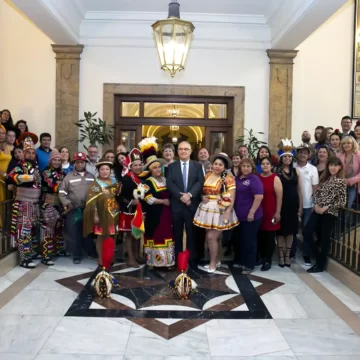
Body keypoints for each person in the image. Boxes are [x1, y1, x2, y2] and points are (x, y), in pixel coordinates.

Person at [193, 153, 238, 272]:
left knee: (211, 237)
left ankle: (212, 263)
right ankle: (217, 260)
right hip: (207, 209)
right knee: (214, 238)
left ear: (224, 167)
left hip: (221, 210)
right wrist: (203, 197)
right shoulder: (207, 175)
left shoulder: (228, 178)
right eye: (215, 164)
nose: (217, 166)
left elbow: (232, 197)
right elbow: (202, 192)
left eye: (220, 165)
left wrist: (228, 212)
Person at [303, 157, 347, 273]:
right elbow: (317, 194)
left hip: (329, 213)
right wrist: (316, 205)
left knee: (324, 238)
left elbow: (342, 201)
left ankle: (320, 265)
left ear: (340, 167)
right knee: (306, 232)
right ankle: (319, 257)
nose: (333, 167)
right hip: (317, 211)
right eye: (331, 165)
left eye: (335, 165)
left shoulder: (341, 182)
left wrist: (326, 207)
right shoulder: (325, 179)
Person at [166, 141, 204, 265]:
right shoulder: (171, 166)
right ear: (177, 151)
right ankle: (177, 259)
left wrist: (189, 195)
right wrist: (180, 196)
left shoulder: (197, 165)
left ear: (190, 151)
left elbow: (200, 182)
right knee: (176, 233)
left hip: (192, 205)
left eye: (186, 149)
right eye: (181, 149)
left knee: (192, 233)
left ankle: (191, 258)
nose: (183, 151)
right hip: (177, 205)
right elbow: (170, 184)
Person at [139, 137, 175, 268]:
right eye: (155, 168)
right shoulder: (148, 182)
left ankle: (168, 262)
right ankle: (155, 262)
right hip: (155, 215)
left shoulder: (165, 179)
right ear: (150, 170)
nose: (158, 169)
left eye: (159, 167)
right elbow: (147, 198)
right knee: (156, 236)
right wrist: (163, 201)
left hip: (167, 214)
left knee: (167, 236)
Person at [8, 133, 41, 268]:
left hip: (34, 203)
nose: (31, 155)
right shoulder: (20, 166)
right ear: (23, 154)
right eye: (28, 152)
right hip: (24, 203)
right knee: (23, 230)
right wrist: (29, 178)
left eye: (33, 153)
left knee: (31, 229)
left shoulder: (35, 167)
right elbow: (11, 176)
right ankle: (24, 258)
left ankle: (30, 252)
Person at [59, 152, 96, 264]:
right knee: (74, 233)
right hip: (73, 210)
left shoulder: (91, 177)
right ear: (74, 163)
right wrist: (67, 203)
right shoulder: (68, 177)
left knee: (88, 232)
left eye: (82, 162)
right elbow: (61, 192)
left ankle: (91, 252)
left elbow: (96, 191)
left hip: (88, 210)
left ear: (85, 163)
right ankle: (77, 255)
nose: (80, 164)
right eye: (78, 162)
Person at [83, 159, 121, 266]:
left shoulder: (115, 183)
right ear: (99, 171)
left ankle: (110, 256)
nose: (105, 171)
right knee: (101, 237)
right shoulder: (95, 185)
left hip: (114, 214)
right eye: (102, 169)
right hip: (101, 214)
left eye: (107, 169)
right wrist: (95, 215)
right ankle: (101, 258)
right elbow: (91, 202)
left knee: (113, 236)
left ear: (110, 171)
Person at [118, 148, 149, 267]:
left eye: (140, 164)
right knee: (130, 235)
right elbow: (119, 196)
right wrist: (131, 202)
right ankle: (130, 259)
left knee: (138, 233)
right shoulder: (125, 178)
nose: (138, 167)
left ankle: (137, 256)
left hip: (140, 211)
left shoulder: (142, 177)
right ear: (130, 166)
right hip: (129, 211)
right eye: (135, 165)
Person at [233, 158, 263, 274]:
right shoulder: (237, 179)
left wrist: (251, 212)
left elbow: (259, 197)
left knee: (250, 240)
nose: (246, 168)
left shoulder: (254, 179)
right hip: (238, 216)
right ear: (240, 167)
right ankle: (241, 260)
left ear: (252, 168)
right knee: (240, 239)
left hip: (251, 216)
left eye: (248, 166)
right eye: (244, 166)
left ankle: (250, 264)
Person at [275, 139, 302, 268]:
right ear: (281, 158)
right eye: (285, 156)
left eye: (289, 157)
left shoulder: (296, 171)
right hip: (281, 205)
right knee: (280, 231)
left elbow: (299, 190)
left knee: (291, 231)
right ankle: (280, 255)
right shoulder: (277, 172)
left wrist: (301, 206)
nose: (287, 159)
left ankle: (287, 256)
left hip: (293, 205)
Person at [293, 144, 319, 265]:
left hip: (308, 205)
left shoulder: (313, 169)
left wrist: (315, 202)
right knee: (292, 229)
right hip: (293, 203)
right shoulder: (292, 167)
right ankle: (291, 253)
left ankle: (306, 254)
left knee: (306, 231)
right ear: (297, 154)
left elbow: (315, 188)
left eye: (305, 153)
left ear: (308, 155)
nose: (302, 155)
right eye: (300, 152)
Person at [40, 150, 66, 266]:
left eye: (59, 160)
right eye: (54, 160)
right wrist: (61, 184)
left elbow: (63, 185)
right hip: (48, 203)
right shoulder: (46, 171)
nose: (56, 162)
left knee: (58, 228)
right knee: (48, 230)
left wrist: (61, 183)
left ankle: (57, 250)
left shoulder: (62, 172)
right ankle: (46, 255)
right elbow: (53, 186)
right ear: (50, 161)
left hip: (59, 203)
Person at [257, 157, 283, 271]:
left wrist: (278, 212)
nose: (265, 165)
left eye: (267, 163)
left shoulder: (275, 178)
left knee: (270, 237)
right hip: (259, 211)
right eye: (263, 163)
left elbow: (279, 196)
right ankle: (262, 257)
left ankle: (268, 260)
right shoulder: (257, 177)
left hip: (271, 212)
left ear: (271, 166)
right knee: (261, 236)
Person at [336, 136, 360, 208]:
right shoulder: (339, 155)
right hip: (341, 184)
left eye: (349, 143)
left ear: (353, 144)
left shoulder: (358, 155)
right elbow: (336, 169)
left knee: (349, 207)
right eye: (344, 143)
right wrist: (341, 179)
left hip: (355, 185)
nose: (346, 145)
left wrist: (350, 181)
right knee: (340, 207)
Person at [0, 125, 12, 205]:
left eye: (3, 133)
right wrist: (5, 174)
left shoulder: (7, 147)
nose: (1, 135)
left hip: (6, 180)